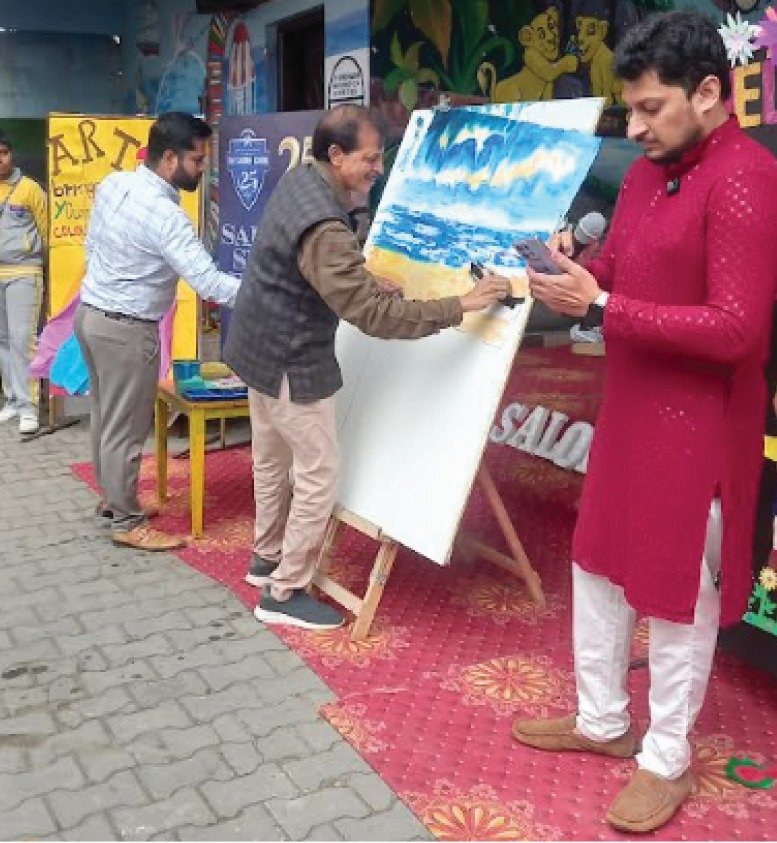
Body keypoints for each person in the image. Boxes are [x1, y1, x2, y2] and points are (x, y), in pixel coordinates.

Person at [517, 10, 777, 834]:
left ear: (707, 93)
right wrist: (572, 270)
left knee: (676, 593)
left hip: (698, 428)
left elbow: (736, 328)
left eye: (648, 108)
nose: (632, 127)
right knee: (594, 563)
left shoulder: (745, 177)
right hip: (630, 410)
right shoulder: (642, 175)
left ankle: (664, 757)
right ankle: (600, 719)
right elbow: (616, 270)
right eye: (628, 109)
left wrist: (601, 304)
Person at [224, 104, 510, 632]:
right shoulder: (326, 224)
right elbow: (372, 316)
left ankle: (266, 558)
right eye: (371, 159)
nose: (378, 169)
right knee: (318, 475)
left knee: (271, 458)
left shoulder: (301, 180)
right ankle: (283, 592)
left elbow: (309, 264)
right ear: (336, 155)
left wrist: (360, 277)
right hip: (289, 358)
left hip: (255, 348)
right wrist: (463, 305)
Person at [75, 112, 241, 552]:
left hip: (91, 317)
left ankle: (114, 500)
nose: (202, 169)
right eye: (197, 160)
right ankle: (128, 521)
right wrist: (266, 292)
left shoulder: (114, 184)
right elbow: (209, 283)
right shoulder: (166, 216)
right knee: (127, 427)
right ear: (169, 158)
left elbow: (91, 245)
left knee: (106, 417)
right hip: (126, 331)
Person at [0, 131, 47, 435]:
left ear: (11, 155)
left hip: (24, 273)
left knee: (22, 339)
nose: (0, 159)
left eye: (3, 153)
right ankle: (13, 400)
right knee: (3, 340)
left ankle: (29, 407)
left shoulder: (29, 189)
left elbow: (46, 230)